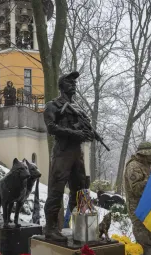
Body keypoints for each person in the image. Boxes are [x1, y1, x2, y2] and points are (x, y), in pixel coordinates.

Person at [43, 71, 94, 241]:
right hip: (62, 152)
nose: (73, 84)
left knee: (80, 189)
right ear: (61, 85)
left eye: (74, 82)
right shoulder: (53, 106)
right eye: (69, 81)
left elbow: (86, 131)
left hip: (77, 154)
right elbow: (51, 128)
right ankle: (50, 228)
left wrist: (88, 133)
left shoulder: (78, 108)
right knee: (56, 190)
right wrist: (74, 133)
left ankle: (80, 225)